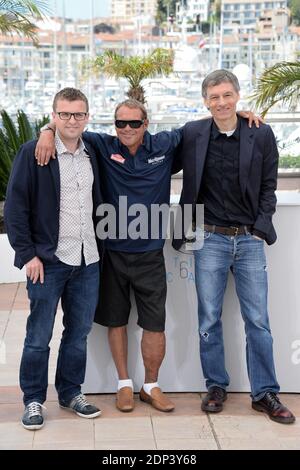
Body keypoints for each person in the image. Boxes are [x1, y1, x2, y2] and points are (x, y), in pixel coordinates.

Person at [36, 97, 260, 414]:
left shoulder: (165, 144)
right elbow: (68, 127)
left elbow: (204, 127)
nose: (127, 129)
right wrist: (47, 130)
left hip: (150, 254)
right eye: (120, 123)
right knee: (115, 322)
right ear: (114, 125)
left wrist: (236, 113)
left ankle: (151, 386)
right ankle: (124, 385)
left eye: (134, 123)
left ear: (146, 124)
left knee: (155, 324)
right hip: (111, 252)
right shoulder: (101, 144)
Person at [172, 69, 295, 424]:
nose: (221, 102)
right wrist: (49, 129)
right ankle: (216, 386)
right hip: (208, 237)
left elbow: (269, 185)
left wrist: (259, 228)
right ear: (205, 101)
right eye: (214, 97)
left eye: (227, 95)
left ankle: (265, 393)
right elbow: (154, 150)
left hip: (249, 240)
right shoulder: (193, 133)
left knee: (258, 320)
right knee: (208, 319)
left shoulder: (261, 132)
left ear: (238, 96)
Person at [4, 88, 102, 430]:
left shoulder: (95, 151)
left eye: (78, 114)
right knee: (38, 335)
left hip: (88, 259)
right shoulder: (34, 152)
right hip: (49, 261)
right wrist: (28, 254)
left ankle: (71, 392)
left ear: (87, 116)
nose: (71, 121)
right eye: (64, 114)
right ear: (54, 115)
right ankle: (33, 399)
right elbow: (16, 208)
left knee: (78, 333)